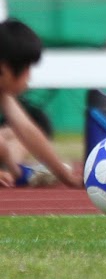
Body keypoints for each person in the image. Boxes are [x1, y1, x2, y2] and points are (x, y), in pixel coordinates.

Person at [0, 18, 82, 189]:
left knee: (13, 136)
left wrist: (68, 178)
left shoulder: (3, 93)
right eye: (27, 68)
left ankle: (16, 172)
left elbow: (27, 130)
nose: (29, 77)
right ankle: (16, 172)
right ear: (5, 69)